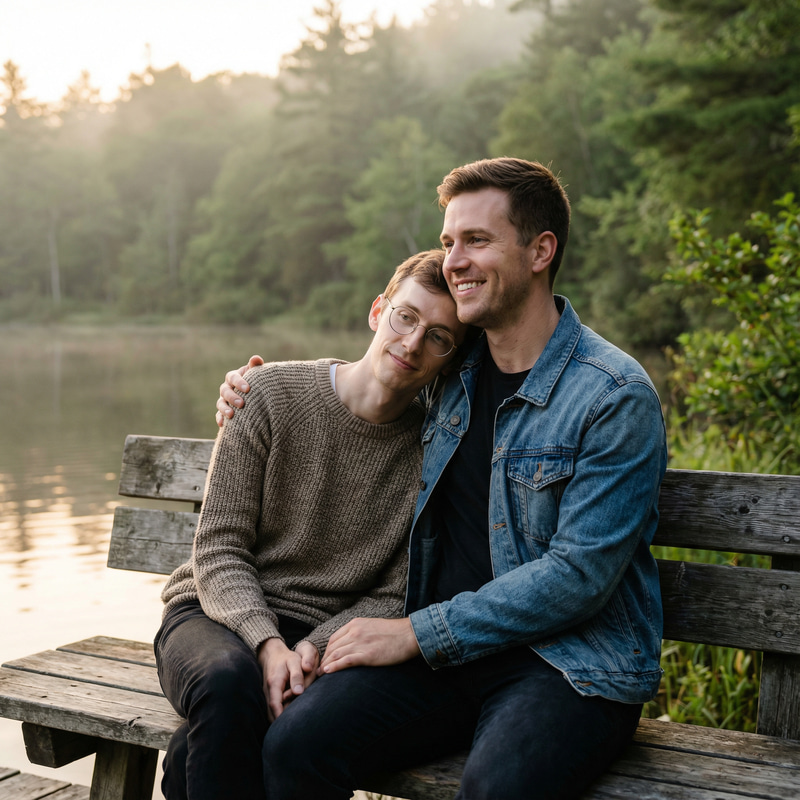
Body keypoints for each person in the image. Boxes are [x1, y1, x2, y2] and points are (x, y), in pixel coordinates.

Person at [219, 157, 667, 800]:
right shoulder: (450, 368)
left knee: (495, 789)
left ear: (540, 251)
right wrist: (253, 389)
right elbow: (371, 377)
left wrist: (414, 633)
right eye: (449, 241)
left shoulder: (612, 396)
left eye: (476, 240)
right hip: (442, 659)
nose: (454, 261)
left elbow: (579, 576)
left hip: (566, 665)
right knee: (295, 743)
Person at [155, 249, 469, 800]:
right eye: (406, 317)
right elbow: (219, 549)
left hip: (324, 638)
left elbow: (395, 591)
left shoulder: (434, 454)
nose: (413, 343)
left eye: (438, 337)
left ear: (450, 358)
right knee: (229, 685)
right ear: (378, 311)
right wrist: (266, 643)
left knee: (206, 748)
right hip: (212, 614)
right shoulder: (266, 393)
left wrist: (310, 651)